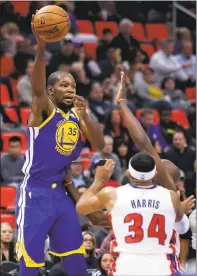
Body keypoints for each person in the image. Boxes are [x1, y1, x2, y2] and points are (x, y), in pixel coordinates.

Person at [15, 13, 104, 276]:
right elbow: (37, 89)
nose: (70, 88)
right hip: (35, 193)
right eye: (64, 85)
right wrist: (41, 47)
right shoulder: (42, 111)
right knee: (30, 262)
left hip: (61, 194)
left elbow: (98, 144)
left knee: (76, 256)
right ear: (52, 91)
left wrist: (86, 115)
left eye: (73, 84)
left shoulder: (77, 114)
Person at [76, 157, 190, 276]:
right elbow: (183, 228)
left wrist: (98, 181)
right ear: (155, 174)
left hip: (125, 269)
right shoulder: (171, 197)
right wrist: (179, 211)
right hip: (162, 269)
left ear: (129, 174)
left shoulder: (111, 194)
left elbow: (80, 207)